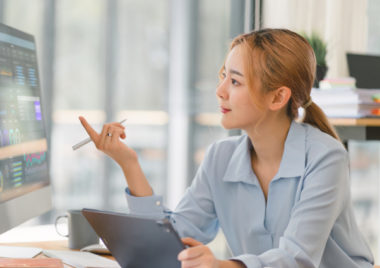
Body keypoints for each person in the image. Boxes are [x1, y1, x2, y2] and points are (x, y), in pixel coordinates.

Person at [79, 28, 375, 268]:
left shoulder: (326, 158)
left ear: (278, 98)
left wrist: (224, 267)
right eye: (224, 76)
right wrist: (129, 164)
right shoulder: (220, 157)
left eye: (235, 81)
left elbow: (297, 258)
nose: (220, 91)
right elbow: (174, 238)